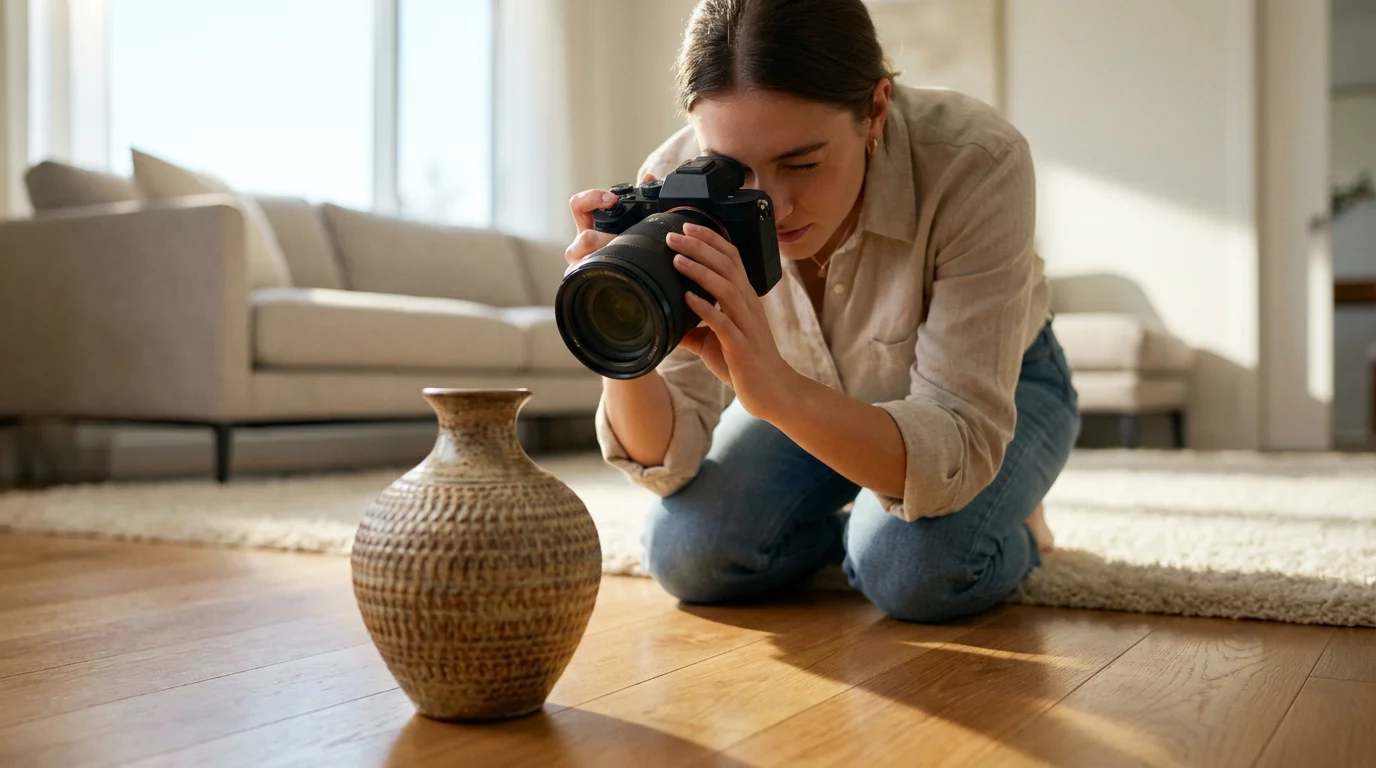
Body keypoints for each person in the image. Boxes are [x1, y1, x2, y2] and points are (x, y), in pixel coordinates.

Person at [564, 0, 1080, 623]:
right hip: (808, 393)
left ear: (876, 111)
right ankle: (863, 516)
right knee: (690, 555)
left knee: (911, 570)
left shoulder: (976, 159)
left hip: (1003, 390)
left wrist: (779, 395)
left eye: (802, 164)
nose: (772, 205)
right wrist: (621, 319)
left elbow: (958, 437)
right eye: (733, 170)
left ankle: (1011, 525)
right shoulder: (675, 182)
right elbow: (667, 457)